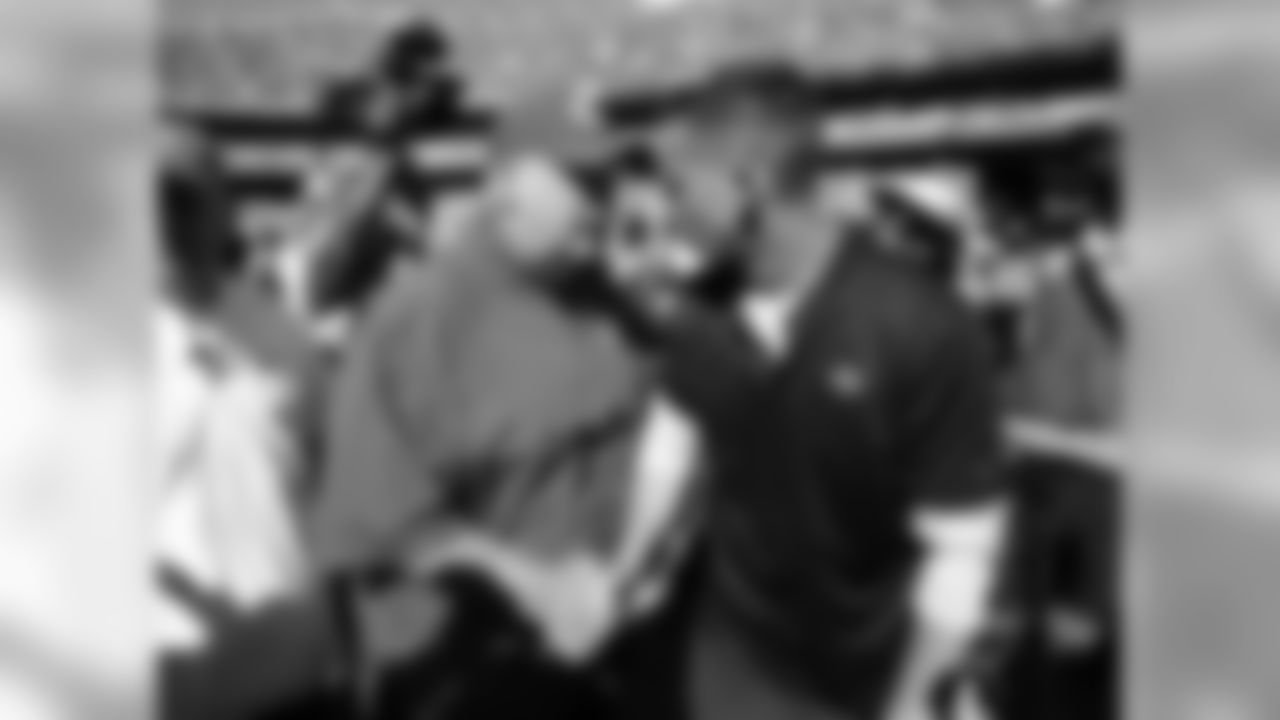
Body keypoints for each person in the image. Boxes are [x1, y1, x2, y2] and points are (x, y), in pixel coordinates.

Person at [645, 62, 1010, 720]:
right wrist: (627, 570)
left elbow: (962, 548)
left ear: (748, 183)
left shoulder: (922, 327)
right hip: (734, 678)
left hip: (873, 684)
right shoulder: (697, 315)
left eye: (682, 187)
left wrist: (913, 705)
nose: (669, 211)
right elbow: (672, 441)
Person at [305, 110, 699, 719]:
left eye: (607, 180)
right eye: (581, 181)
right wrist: (536, 587)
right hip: (468, 680)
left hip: (610, 673)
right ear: (505, 189)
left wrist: (641, 567)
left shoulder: (613, 308)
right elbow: (375, 524)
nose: (603, 200)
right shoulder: (421, 316)